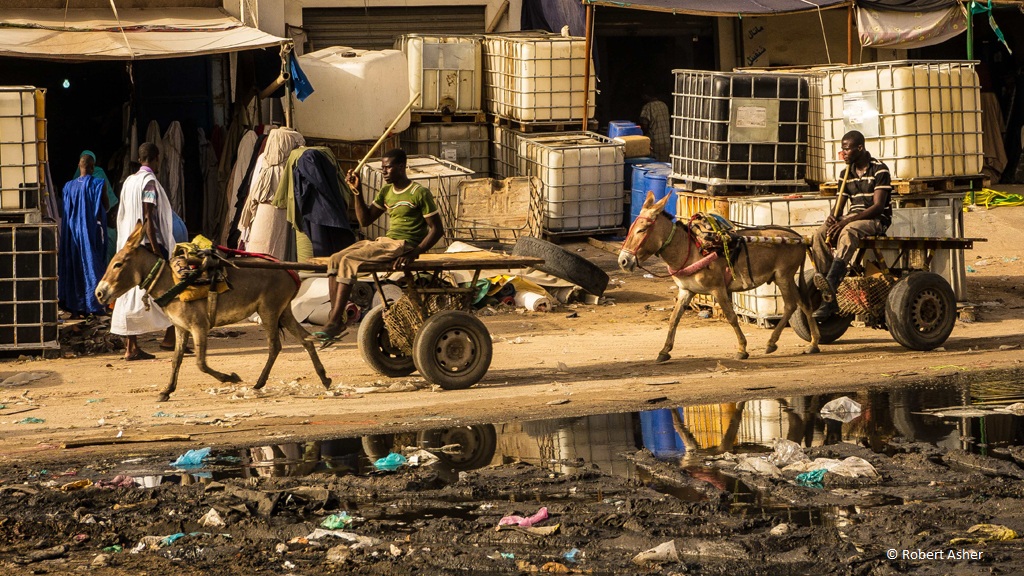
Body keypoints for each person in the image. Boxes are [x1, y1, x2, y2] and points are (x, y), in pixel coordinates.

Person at [309, 149, 444, 343]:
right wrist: (357, 191)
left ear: (401, 167)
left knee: (348, 261)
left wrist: (414, 253)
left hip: (401, 245)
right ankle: (335, 318)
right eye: (382, 168)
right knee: (335, 258)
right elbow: (365, 220)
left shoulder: (419, 193)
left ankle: (335, 321)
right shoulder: (386, 192)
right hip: (385, 242)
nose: (384, 172)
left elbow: (437, 230)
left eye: (388, 167)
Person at [110, 142, 182, 360]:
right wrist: (156, 250)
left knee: (131, 292)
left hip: (129, 246)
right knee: (172, 290)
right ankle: (171, 339)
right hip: (145, 247)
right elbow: (148, 218)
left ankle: (131, 347)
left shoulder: (130, 182)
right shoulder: (149, 183)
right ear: (155, 158)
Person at [810, 130, 893, 318]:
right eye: (842, 150)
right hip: (852, 217)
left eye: (846, 149)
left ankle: (831, 285)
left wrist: (846, 220)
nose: (843, 153)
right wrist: (832, 218)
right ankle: (826, 287)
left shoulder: (879, 169)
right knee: (819, 234)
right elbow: (839, 206)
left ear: (860, 148)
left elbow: (878, 207)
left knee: (848, 231)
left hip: (875, 220)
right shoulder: (845, 173)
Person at [58, 153, 108, 317]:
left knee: (75, 268)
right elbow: (106, 206)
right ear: (92, 168)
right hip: (90, 233)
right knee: (93, 266)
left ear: (79, 167)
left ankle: (75, 308)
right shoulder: (98, 184)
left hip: (71, 235)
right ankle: (93, 305)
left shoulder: (68, 187)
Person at [639, 86, 671, 162]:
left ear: (646, 96)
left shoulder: (648, 107)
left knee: (656, 166)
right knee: (665, 165)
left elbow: (644, 124)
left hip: (655, 143)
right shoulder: (664, 105)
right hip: (667, 142)